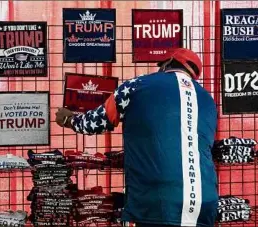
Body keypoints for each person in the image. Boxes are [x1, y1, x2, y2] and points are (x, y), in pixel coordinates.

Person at [55, 48, 218, 227]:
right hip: (205, 201)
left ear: (168, 63)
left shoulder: (138, 85)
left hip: (157, 200)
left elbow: (96, 122)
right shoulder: (208, 100)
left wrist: (70, 119)